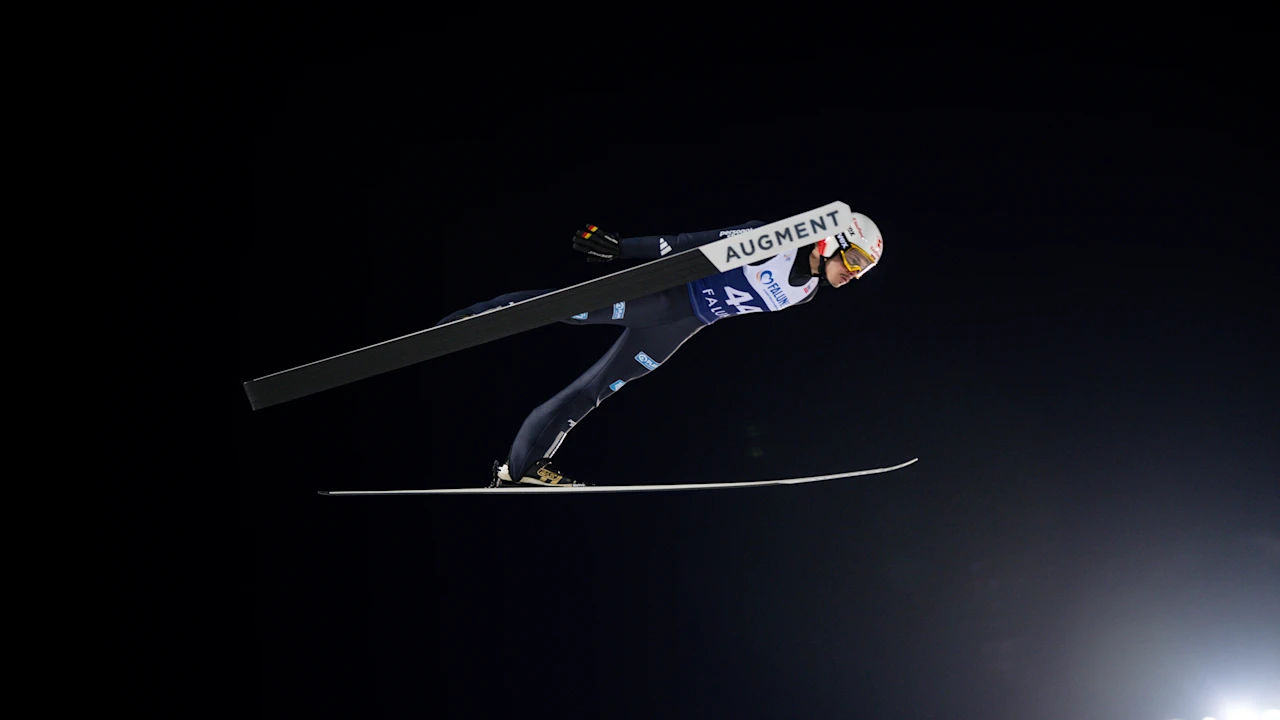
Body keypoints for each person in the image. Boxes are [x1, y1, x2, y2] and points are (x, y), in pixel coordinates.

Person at [433, 212, 885, 488]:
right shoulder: (774, 242)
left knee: (597, 389)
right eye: (855, 260)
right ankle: (470, 320)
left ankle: (523, 467)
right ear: (830, 241)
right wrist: (623, 250)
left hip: (682, 327)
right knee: (568, 309)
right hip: (664, 298)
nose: (854, 274)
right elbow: (694, 244)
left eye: (863, 269)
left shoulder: (806, 292)